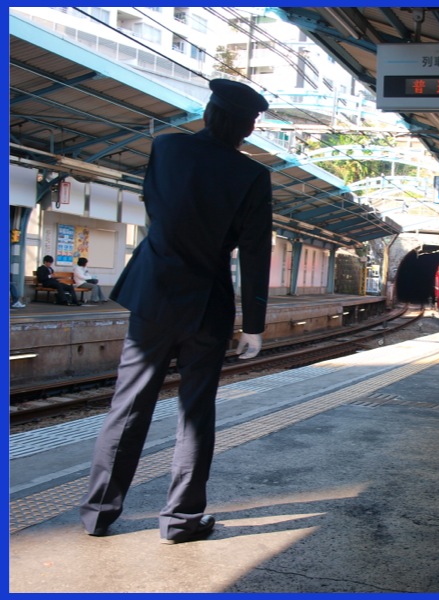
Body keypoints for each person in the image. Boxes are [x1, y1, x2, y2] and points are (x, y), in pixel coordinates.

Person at [79, 79, 273, 545]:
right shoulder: (252, 175)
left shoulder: (165, 148)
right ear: (247, 129)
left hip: (153, 294)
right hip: (208, 303)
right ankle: (181, 520)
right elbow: (255, 253)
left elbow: (155, 206)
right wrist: (254, 325)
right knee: (195, 412)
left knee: (128, 404)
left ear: (207, 114)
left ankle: (99, 513)